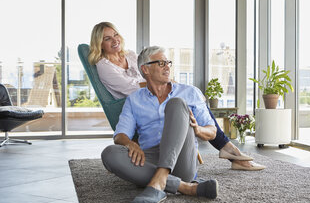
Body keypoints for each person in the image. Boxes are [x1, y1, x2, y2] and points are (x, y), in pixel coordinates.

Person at [90, 21, 264, 171]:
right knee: (185, 98)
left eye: (115, 35)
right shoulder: (104, 66)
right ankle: (224, 152)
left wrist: (165, 81)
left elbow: (149, 75)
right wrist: (159, 80)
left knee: (188, 98)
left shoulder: (129, 55)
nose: (115, 40)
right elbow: (132, 86)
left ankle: (228, 150)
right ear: (100, 44)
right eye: (107, 38)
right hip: (137, 101)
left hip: (159, 93)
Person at [102, 46, 221, 203]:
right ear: (145, 69)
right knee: (109, 154)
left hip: (181, 160)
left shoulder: (190, 92)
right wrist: (130, 144)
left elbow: (212, 131)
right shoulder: (134, 99)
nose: (167, 67)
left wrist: (197, 129)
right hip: (149, 158)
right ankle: (185, 187)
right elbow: (120, 135)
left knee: (177, 104)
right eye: (161, 63)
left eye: (168, 63)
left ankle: (159, 181)